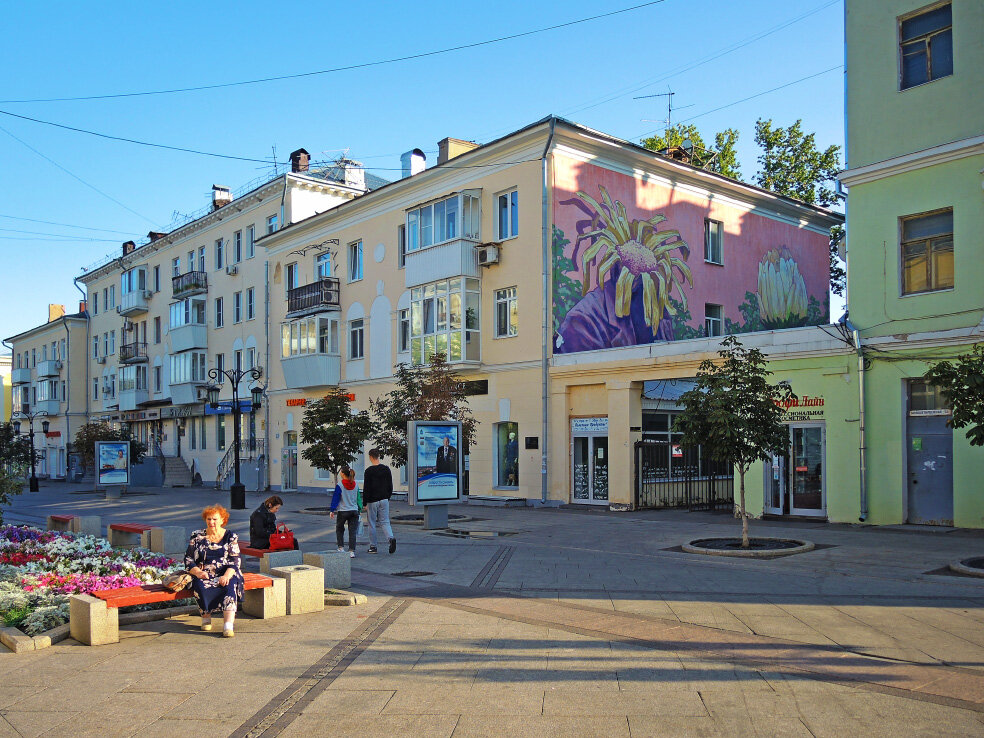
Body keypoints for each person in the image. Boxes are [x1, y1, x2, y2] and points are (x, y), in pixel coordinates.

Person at [184, 505, 243, 638]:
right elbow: (188, 558)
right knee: (200, 584)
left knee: (229, 587)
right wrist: (198, 572)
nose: (211, 522)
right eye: (209, 519)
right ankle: (206, 617)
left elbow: (235, 560)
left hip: (227, 571)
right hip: (204, 571)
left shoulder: (230, 536)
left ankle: (228, 625)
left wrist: (226, 575)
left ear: (222, 520)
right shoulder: (197, 536)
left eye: (215, 519)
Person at [363, 448, 396, 555]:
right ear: (379, 456)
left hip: (372, 500)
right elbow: (390, 485)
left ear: (371, 457)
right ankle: (390, 538)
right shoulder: (386, 469)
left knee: (372, 523)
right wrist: (387, 496)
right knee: (385, 521)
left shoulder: (368, 471)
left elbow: (366, 488)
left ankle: (373, 546)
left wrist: (364, 503)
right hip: (384, 499)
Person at [330, 466, 362, 558]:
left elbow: (336, 498)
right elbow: (358, 498)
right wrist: (359, 509)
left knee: (340, 529)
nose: (340, 473)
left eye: (340, 472)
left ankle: (341, 548)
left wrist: (332, 510)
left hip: (343, 511)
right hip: (354, 510)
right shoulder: (355, 484)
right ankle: (351, 551)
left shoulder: (340, 485)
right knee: (352, 531)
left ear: (343, 474)